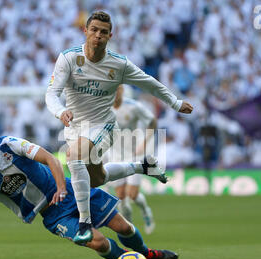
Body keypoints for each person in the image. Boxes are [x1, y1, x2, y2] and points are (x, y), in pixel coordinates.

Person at [46, 11, 194, 244]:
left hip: (102, 125)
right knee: (97, 178)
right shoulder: (68, 59)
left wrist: (175, 103)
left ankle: (85, 223)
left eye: (103, 32)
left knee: (73, 157)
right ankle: (141, 166)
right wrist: (60, 111)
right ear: (85, 31)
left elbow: (149, 83)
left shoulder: (119, 64)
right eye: (93, 30)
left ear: (110, 36)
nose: (98, 36)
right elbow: (51, 94)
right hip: (74, 127)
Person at [0, 125, 178, 259]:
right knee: (99, 242)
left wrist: (60, 188)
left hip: (72, 191)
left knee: (124, 227)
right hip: (53, 216)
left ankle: (147, 254)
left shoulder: (9, 144)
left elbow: (52, 160)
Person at [106, 85, 156, 234]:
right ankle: (130, 230)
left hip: (134, 154)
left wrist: (144, 143)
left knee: (132, 195)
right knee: (121, 196)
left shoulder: (134, 107)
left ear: (122, 91)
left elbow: (152, 122)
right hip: (115, 155)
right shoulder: (104, 107)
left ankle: (146, 211)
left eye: (118, 89)